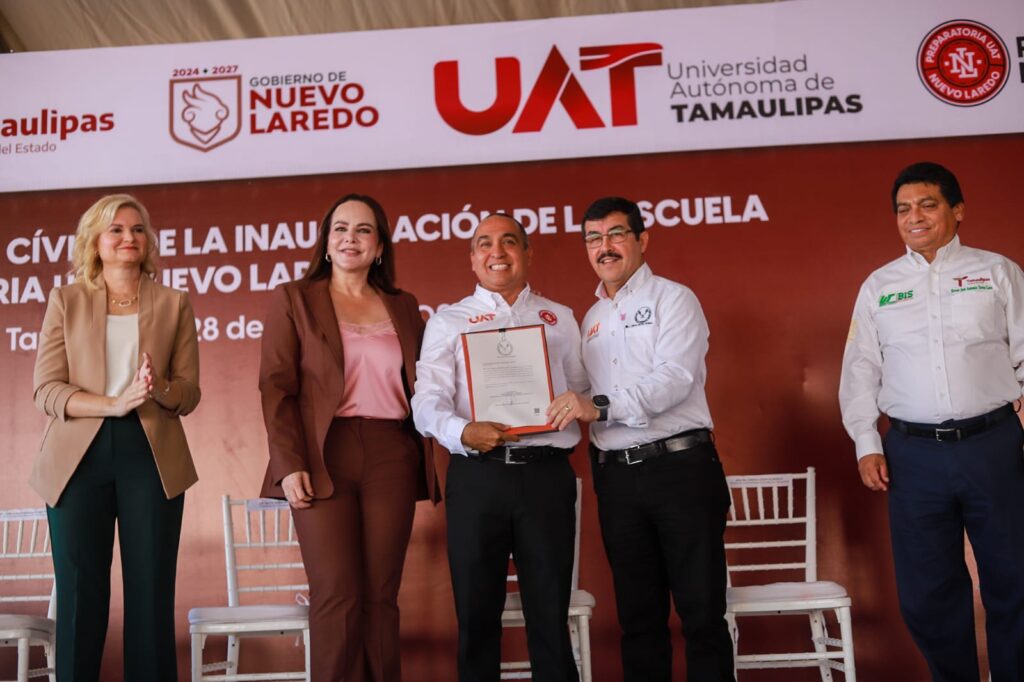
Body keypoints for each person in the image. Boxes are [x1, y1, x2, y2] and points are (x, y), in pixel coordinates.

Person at [839, 162, 1024, 681]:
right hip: (913, 455)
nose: (914, 217)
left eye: (927, 204)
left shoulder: (997, 272)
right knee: (928, 594)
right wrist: (865, 442)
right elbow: (860, 369)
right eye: (903, 209)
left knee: (1014, 579)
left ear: (957, 210)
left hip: (994, 445)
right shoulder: (879, 286)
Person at [548, 197, 734, 681]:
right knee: (638, 620)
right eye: (593, 238)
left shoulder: (674, 299)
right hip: (617, 480)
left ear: (642, 239)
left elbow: (675, 379)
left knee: (702, 614)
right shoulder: (590, 318)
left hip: (680, 470)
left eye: (616, 234)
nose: (604, 247)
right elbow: (581, 390)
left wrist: (599, 406)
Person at [259, 193, 437, 682]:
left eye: (363, 230)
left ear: (379, 246)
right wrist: (288, 463)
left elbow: (429, 382)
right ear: (326, 241)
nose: (350, 238)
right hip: (321, 453)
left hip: (390, 452)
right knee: (336, 592)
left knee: (380, 595)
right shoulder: (294, 298)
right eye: (340, 228)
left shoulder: (404, 305)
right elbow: (275, 388)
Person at [31, 194, 200, 682]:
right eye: (117, 229)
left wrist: (157, 388)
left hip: (151, 454)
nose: (129, 237)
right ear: (95, 242)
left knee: (150, 593)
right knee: (79, 596)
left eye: (138, 229)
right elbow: (46, 390)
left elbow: (189, 393)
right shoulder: (66, 300)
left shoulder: (174, 303)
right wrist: (112, 403)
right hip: (76, 457)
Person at [412, 214, 586, 682]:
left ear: (527, 253)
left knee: (550, 615)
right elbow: (425, 403)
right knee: (475, 617)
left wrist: (576, 404)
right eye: (484, 244)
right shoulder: (448, 321)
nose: (497, 252)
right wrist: (463, 431)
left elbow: (584, 390)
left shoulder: (560, 318)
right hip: (478, 476)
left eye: (509, 242)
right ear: (472, 259)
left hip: (546, 475)